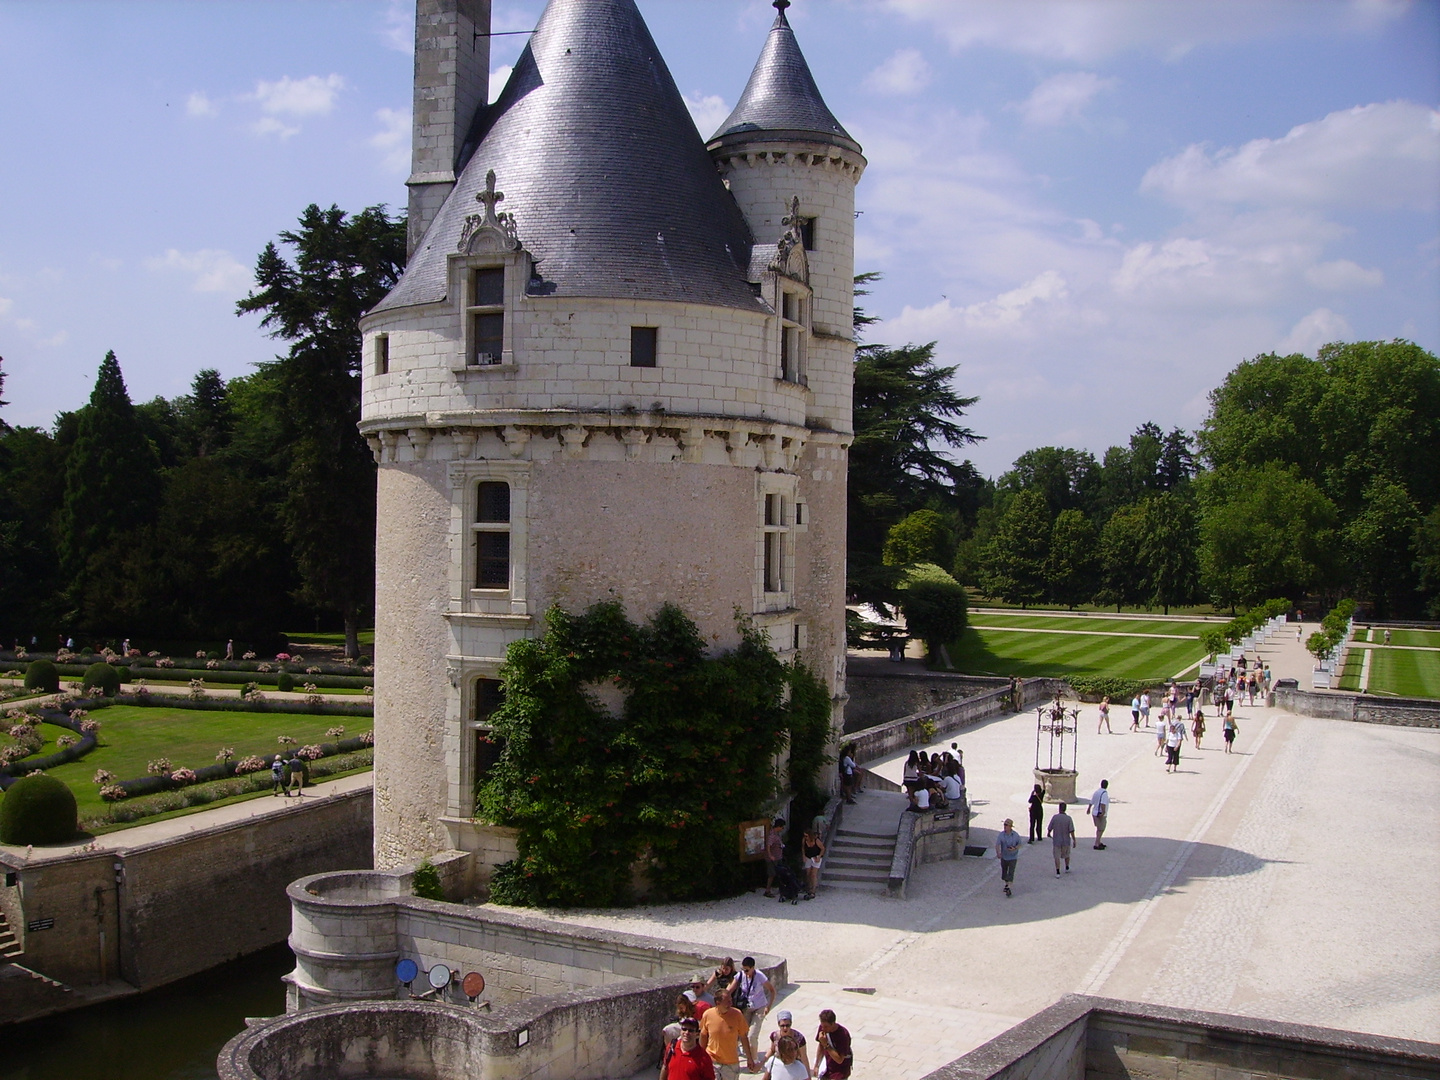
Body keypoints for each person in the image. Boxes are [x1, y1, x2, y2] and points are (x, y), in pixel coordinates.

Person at [699, 988, 755, 1080]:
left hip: (731, 1062)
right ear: (718, 1003)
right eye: (727, 1001)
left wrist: (749, 1058)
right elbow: (703, 1035)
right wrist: (701, 1056)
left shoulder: (737, 1014)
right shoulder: (707, 1015)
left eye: (731, 1000)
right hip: (712, 1060)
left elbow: (743, 1037)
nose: (731, 1004)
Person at [736, 957, 776, 1047]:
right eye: (743, 969)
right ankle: (746, 1050)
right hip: (746, 1007)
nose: (745, 972)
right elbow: (730, 989)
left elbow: (772, 990)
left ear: (752, 968)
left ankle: (754, 1058)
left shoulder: (760, 976)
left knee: (752, 1035)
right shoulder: (741, 975)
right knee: (743, 1033)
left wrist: (768, 1006)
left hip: (759, 1007)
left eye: (747, 970)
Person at [767, 1011, 811, 1076]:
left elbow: (804, 1057)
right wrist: (761, 1063)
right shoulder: (774, 1036)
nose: (785, 1028)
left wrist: (808, 1076)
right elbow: (772, 1050)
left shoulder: (799, 1038)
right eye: (782, 1026)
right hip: (779, 1067)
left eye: (787, 1025)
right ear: (778, 1024)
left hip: (794, 1068)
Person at [814, 1010, 852, 1080]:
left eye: (826, 1026)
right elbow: (820, 1046)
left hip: (840, 1071)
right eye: (822, 1025)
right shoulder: (822, 1029)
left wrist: (826, 1045)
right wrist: (816, 1065)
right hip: (826, 1068)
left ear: (833, 1023)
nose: (823, 1028)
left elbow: (840, 1060)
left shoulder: (843, 1035)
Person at [995, 818, 1022, 897]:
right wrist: (998, 853)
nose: (1005, 826)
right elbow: (997, 844)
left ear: (1010, 827)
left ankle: (1008, 888)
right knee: (1004, 873)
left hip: (1013, 857)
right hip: (1004, 856)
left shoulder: (1015, 835)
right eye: (1004, 825)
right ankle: (1007, 884)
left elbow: (1019, 844)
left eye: (1006, 825)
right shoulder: (1001, 835)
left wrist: (1015, 848)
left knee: (1011, 872)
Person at [1047, 801, 1075, 874]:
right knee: (1067, 855)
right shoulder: (1068, 818)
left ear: (1059, 809)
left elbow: (1050, 827)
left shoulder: (1055, 817)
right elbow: (1071, 830)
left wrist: (1049, 833)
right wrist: (1074, 840)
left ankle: (1058, 871)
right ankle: (1067, 867)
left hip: (1057, 840)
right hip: (1066, 840)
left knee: (1057, 856)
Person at [800, 823, 825, 901]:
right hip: (808, 857)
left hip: (816, 857)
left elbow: (823, 849)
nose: (805, 837)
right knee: (808, 873)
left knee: (813, 874)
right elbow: (803, 848)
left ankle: (813, 890)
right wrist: (803, 856)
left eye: (806, 836)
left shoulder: (816, 841)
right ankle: (809, 888)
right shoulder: (804, 840)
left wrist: (819, 856)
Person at [763, 817, 785, 898]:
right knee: (771, 874)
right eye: (782, 827)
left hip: (778, 856)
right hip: (773, 858)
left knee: (780, 872)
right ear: (779, 826)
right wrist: (770, 855)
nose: (782, 829)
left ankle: (781, 888)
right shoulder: (772, 835)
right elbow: (768, 846)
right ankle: (767, 890)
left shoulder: (777, 834)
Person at [1088, 780, 1109, 849]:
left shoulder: (1097, 792)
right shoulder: (1104, 794)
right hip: (1100, 814)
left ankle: (1098, 841)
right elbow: (1103, 804)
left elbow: (1092, 801)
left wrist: (1089, 809)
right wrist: (1103, 813)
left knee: (1099, 828)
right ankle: (1097, 843)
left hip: (1094, 812)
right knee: (1101, 829)